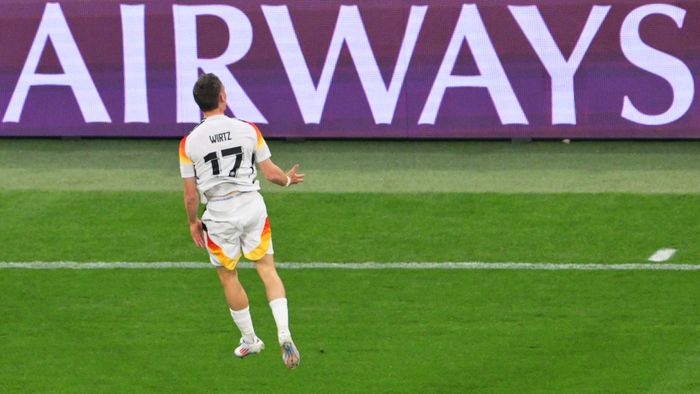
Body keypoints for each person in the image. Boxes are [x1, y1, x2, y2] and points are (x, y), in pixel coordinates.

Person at [179, 73, 303, 369]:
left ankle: (250, 339)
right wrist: (287, 181)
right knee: (267, 269)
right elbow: (271, 173)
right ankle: (283, 333)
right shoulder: (247, 129)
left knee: (228, 276)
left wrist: (193, 222)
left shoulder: (188, 144)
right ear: (223, 97)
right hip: (251, 207)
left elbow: (190, 196)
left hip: (219, 214)